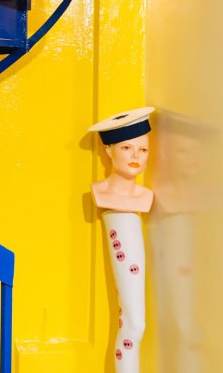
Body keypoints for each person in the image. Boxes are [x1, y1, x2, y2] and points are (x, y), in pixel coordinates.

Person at [89, 107, 154, 373]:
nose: (136, 156)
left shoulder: (145, 197)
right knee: (134, 323)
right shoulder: (100, 193)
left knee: (133, 323)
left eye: (143, 150)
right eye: (127, 148)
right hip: (119, 224)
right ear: (109, 150)